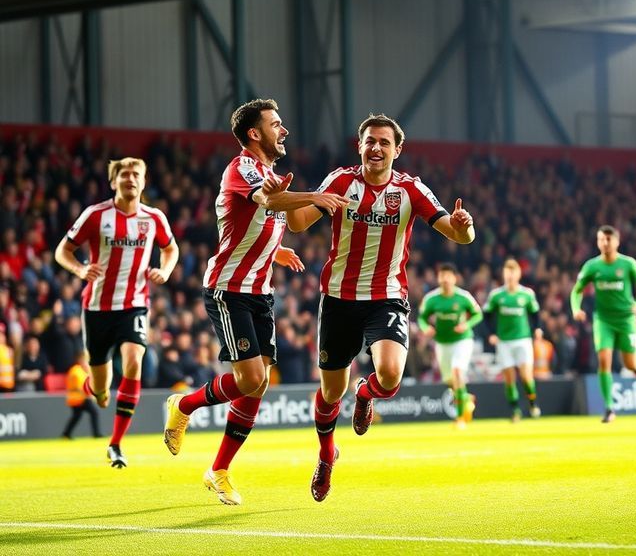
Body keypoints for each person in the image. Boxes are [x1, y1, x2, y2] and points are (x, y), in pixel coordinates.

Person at [162, 98, 349, 506]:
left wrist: (324, 202)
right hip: (229, 288)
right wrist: (319, 196)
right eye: (276, 124)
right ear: (255, 132)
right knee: (249, 380)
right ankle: (184, 405)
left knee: (259, 383)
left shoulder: (272, 175)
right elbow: (266, 203)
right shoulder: (243, 168)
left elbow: (294, 221)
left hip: (260, 292)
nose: (283, 130)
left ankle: (219, 470)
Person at [284, 113, 475, 502]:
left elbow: (459, 235)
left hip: (386, 296)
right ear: (360, 146)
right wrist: (291, 199)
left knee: (389, 376)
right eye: (370, 141)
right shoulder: (340, 182)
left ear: (397, 150)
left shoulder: (410, 189)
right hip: (338, 298)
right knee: (330, 392)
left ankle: (366, 394)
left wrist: (464, 224)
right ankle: (326, 456)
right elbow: (299, 224)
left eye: (384, 142)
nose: (376, 148)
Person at [55, 157, 179, 467]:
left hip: (134, 304)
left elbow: (171, 248)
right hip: (97, 308)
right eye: (124, 174)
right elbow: (63, 250)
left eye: (136, 174)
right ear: (113, 182)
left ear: (143, 181)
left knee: (134, 360)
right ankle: (91, 388)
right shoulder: (96, 215)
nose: (130, 178)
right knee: (101, 391)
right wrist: (80, 269)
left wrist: (164, 270)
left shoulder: (153, 218)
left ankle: (115, 444)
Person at [570, 225, 636, 423]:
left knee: (630, 364)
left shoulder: (628, 264)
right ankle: (609, 408)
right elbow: (577, 290)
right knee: (604, 360)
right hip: (603, 320)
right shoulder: (592, 266)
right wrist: (575, 308)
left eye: (608, 239)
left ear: (617, 241)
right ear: (598, 242)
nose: (605, 243)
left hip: (626, 320)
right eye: (601, 240)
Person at [418, 263, 483, 428]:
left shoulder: (464, 297)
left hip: (462, 340)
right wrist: (426, 328)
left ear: (455, 278)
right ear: (438, 278)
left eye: (448, 275)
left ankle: (461, 418)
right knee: (450, 381)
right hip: (442, 343)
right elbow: (422, 318)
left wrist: (466, 325)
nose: (445, 279)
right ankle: (465, 398)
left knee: (457, 371)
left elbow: (478, 314)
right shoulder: (431, 299)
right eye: (442, 275)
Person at [483, 258, 541, 422]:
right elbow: (486, 316)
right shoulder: (496, 295)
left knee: (526, 376)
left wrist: (537, 329)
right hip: (504, 342)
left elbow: (535, 314)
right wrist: (491, 334)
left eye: (513, 272)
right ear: (504, 274)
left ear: (518, 274)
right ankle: (515, 410)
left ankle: (532, 403)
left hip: (523, 340)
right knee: (509, 377)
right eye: (507, 272)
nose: (510, 275)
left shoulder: (527, 294)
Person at [62, 352, 102, 439]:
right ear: (80, 360)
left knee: (76, 416)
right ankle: (96, 434)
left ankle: (66, 434)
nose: (87, 362)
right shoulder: (76, 371)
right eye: (85, 360)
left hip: (79, 398)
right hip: (78, 398)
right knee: (94, 413)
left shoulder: (82, 371)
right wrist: (90, 394)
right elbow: (79, 387)